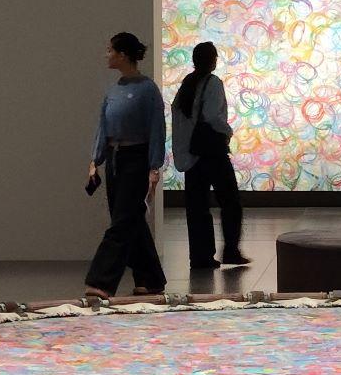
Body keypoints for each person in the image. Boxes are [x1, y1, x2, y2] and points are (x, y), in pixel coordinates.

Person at [84, 30, 167, 298]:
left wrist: (154, 167)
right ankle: (151, 278)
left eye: (110, 50)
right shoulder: (113, 90)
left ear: (122, 54)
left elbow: (157, 129)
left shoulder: (147, 90)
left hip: (137, 160)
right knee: (131, 220)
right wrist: (96, 160)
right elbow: (103, 126)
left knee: (121, 222)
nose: (106, 55)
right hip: (115, 160)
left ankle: (101, 281)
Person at [171, 40, 248, 270]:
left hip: (193, 154)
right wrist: (228, 132)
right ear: (212, 60)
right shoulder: (212, 83)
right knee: (230, 202)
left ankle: (200, 257)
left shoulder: (188, 83)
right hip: (212, 152)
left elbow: (180, 119)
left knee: (197, 207)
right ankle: (231, 250)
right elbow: (213, 116)